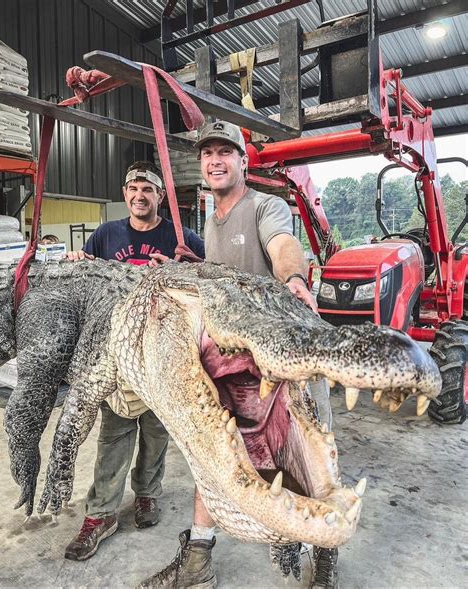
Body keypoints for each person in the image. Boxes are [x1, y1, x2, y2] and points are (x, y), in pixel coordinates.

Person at [141, 122, 335, 589]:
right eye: (208, 153)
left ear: (244, 161)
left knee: (304, 464)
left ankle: (325, 555)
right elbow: (223, 280)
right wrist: (186, 272)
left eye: (225, 152)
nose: (215, 160)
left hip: (283, 361)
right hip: (238, 368)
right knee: (214, 457)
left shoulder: (265, 205)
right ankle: (198, 559)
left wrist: (294, 280)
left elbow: (282, 246)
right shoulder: (212, 215)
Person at [63, 161, 205, 562]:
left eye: (148, 190)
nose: (140, 196)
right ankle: (101, 514)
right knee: (113, 433)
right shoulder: (107, 235)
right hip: (118, 353)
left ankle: (146, 495)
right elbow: (88, 279)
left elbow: (212, 275)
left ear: (160, 196)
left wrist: (183, 267)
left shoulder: (181, 236)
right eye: (133, 189)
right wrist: (77, 261)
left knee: (157, 432)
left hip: (162, 352)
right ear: (125, 194)